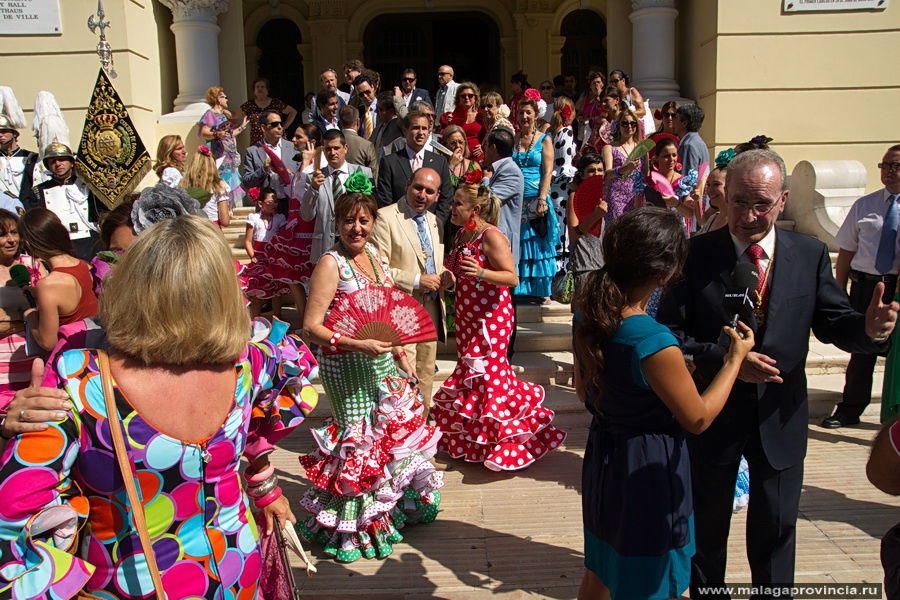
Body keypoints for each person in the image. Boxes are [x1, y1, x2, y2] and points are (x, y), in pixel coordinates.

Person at [0, 215, 319, 599]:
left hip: (133, 583)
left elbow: (14, 511)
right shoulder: (251, 361)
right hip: (236, 569)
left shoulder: (81, 379)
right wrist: (266, 487)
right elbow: (256, 426)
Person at [656, 149, 899, 597]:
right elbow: (671, 333)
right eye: (739, 202)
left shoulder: (808, 255)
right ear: (723, 198)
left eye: (761, 204)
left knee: (776, 529)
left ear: (783, 200)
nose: (749, 215)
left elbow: (833, 321)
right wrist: (727, 361)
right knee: (706, 531)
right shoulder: (694, 255)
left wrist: (868, 330)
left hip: (781, 417)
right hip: (713, 415)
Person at [574, 206, 755, 600]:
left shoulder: (590, 314)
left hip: (606, 460)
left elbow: (581, 388)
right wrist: (734, 359)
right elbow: (698, 418)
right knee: (654, 582)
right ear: (665, 272)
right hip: (648, 471)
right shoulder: (652, 339)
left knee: (601, 571)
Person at [298, 190, 443, 562]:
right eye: (348, 220)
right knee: (357, 440)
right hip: (344, 365)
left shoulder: (376, 258)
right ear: (338, 224)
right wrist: (354, 344)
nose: (356, 228)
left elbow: (386, 311)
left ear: (373, 223)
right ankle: (355, 525)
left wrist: (399, 354)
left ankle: (385, 508)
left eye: (364, 220)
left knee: (386, 433)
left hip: (380, 362)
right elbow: (311, 327)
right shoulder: (331, 264)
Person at [432, 181, 565, 470]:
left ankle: (507, 445)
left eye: (457, 203)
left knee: (491, 380)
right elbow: (459, 275)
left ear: (474, 209)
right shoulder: (461, 235)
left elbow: (512, 278)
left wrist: (481, 272)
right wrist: (450, 279)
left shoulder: (491, 236)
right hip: (468, 318)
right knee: (474, 380)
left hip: (492, 321)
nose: (451, 208)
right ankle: (479, 443)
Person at [823, 144, 900, 429]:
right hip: (867, 286)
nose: (889, 171)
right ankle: (850, 409)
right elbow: (846, 251)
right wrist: (838, 290)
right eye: (885, 166)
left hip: (898, 288)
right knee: (861, 350)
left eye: (896, 166)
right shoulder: (865, 206)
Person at [371, 167, 450, 408]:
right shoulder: (385, 217)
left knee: (426, 373)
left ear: (437, 195)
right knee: (404, 374)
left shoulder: (435, 221)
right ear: (407, 184)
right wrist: (417, 280)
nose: (422, 195)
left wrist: (447, 276)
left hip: (432, 308)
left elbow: (435, 263)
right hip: (401, 309)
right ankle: (401, 431)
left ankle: (421, 428)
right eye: (418, 188)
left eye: (429, 191)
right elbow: (378, 270)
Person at [241, 125, 320, 325]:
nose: (292, 139)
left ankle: (310, 320)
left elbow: (310, 195)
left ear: (311, 142)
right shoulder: (301, 166)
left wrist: (306, 163)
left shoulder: (315, 167)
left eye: (298, 136)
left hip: (306, 228)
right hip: (294, 226)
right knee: (294, 279)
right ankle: (304, 319)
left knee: (306, 277)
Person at [19, 208, 98, 352]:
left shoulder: (48, 285)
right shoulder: (87, 266)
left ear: (28, 245)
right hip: (97, 355)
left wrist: (30, 316)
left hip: (71, 362)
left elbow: (48, 342)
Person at [301, 129, 373, 264]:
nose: (332, 153)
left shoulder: (363, 173)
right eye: (328, 149)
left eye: (336, 148)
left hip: (355, 242)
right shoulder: (313, 178)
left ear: (345, 148)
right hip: (325, 247)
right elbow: (306, 215)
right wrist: (313, 189)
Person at [513, 96, 557, 300]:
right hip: (516, 202)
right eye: (521, 112)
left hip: (536, 199)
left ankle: (539, 291)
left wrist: (542, 199)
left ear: (536, 115)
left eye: (528, 113)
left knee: (537, 245)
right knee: (519, 244)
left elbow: (548, 171)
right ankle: (520, 290)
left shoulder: (544, 139)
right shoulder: (513, 138)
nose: (524, 116)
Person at [0, 209, 46, 404]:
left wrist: (13, 319)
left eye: (14, 232)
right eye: (2, 235)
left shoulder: (33, 264)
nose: (11, 240)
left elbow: (49, 310)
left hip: (35, 359)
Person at [28, 143, 102, 261]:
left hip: (90, 243)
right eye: (53, 161)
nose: (58, 164)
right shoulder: (38, 191)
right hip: (59, 245)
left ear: (71, 162)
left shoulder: (88, 185)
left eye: (62, 159)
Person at [375, 111, 452, 221]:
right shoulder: (389, 162)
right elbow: (385, 200)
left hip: (430, 228)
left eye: (424, 128)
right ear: (405, 131)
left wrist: (436, 223)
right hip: (399, 227)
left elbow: (446, 197)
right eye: (416, 128)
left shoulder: (440, 162)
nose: (421, 132)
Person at [242, 108, 299, 216]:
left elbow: (303, 175)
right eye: (274, 124)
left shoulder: (293, 148)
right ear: (263, 127)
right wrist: (263, 169)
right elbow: (247, 182)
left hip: (290, 203)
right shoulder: (253, 151)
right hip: (266, 206)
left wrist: (291, 174)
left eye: (281, 124)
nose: (279, 127)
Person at [197, 86, 248, 207]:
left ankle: (229, 210)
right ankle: (223, 210)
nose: (227, 99)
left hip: (229, 156)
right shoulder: (210, 114)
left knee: (230, 183)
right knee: (222, 183)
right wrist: (216, 134)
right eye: (224, 97)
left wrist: (242, 126)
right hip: (220, 156)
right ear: (217, 99)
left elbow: (229, 135)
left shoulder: (224, 115)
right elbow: (203, 132)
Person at [565, 153, 606, 292]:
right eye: (591, 171)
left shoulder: (603, 197)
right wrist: (595, 216)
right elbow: (573, 235)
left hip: (602, 267)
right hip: (583, 267)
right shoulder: (575, 197)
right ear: (582, 174)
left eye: (600, 170)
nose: (596, 174)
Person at [244, 187, 287, 317]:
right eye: (270, 202)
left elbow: (282, 238)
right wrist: (253, 256)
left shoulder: (280, 218)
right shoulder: (254, 218)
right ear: (260, 203)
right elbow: (247, 241)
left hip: (274, 258)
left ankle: (278, 319)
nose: (274, 204)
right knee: (257, 292)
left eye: (275, 202)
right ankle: (254, 320)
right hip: (259, 258)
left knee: (277, 292)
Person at [601, 108, 646, 226]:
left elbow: (646, 174)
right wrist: (625, 168)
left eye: (632, 123)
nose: (629, 126)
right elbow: (607, 174)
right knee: (616, 231)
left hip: (635, 197)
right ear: (619, 126)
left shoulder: (642, 149)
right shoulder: (610, 148)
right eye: (625, 123)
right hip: (616, 196)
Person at [549, 97, 577, 266]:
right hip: (562, 187)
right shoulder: (566, 131)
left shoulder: (551, 131)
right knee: (562, 231)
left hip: (552, 186)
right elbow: (564, 165)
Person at [181, 145, 230, 227]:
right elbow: (225, 221)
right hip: (211, 228)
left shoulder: (184, 184)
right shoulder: (218, 185)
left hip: (191, 228)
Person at [240, 77, 297, 145]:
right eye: (257, 87)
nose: (260, 89)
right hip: (257, 143)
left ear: (267, 90)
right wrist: (223, 109)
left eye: (262, 87)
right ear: (254, 90)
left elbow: (293, 112)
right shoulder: (249, 105)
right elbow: (233, 114)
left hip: (276, 141)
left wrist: (284, 126)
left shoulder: (275, 103)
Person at [0, 115, 37, 211]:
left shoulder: (30, 157)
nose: (0, 135)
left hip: (26, 206)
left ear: (14, 134)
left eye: (4, 131)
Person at [442, 83, 485, 162]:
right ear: (458, 98)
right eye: (463, 96)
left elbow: (488, 135)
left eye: (470, 95)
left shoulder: (481, 116)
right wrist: (448, 124)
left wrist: (483, 147)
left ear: (475, 97)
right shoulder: (451, 116)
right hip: (457, 156)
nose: (466, 98)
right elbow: (445, 137)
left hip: (477, 157)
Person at [697, 149, 731, 234]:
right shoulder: (713, 218)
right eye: (708, 184)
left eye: (716, 184)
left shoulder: (736, 221)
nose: (710, 190)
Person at [674, 103, 709, 177]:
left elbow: (686, 179)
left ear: (684, 123)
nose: (673, 121)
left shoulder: (688, 145)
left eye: (676, 117)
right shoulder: (700, 143)